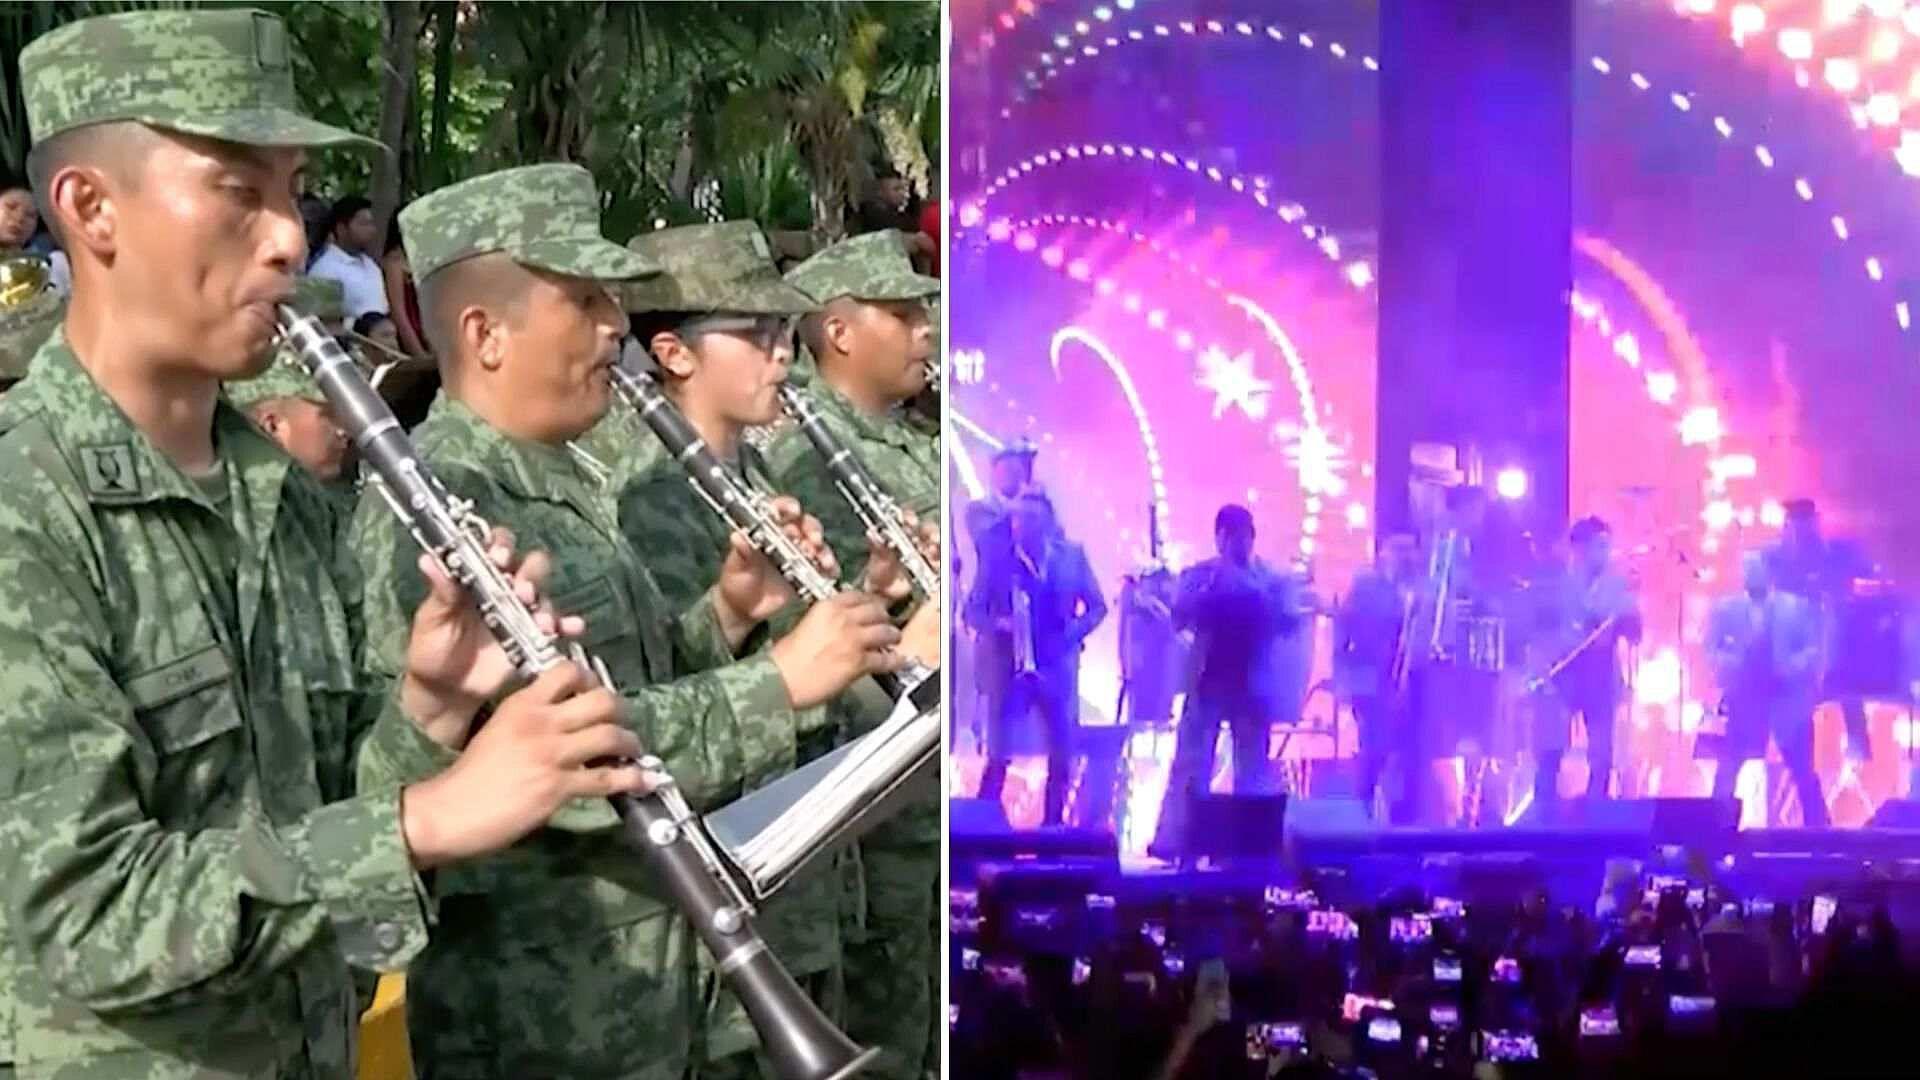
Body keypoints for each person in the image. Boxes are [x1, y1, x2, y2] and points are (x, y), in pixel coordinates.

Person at [0, 12, 647, 1077]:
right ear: (90, 209)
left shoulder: (285, 495)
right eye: (239, 189)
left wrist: (428, 715)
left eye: (291, 187)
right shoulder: (28, 503)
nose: (290, 235)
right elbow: (87, 916)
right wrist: (425, 816)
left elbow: (326, 815)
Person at [354, 164, 906, 1079]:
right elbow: (554, 770)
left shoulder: (561, 477)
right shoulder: (440, 505)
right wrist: (777, 683)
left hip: (652, 996)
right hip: (546, 1020)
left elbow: (626, 689)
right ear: (486, 335)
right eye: (586, 300)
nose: (619, 326)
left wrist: (728, 615)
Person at [772, 228, 946, 1080]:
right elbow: (826, 631)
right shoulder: (804, 453)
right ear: (839, 332)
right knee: (885, 1021)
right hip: (875, 790)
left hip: (928, 778)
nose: (928, 332)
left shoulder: (914, 440)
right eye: (905, 314)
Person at [1150, 505, 1300, 858]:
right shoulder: (1200, 574)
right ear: (1218, 538)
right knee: (1191, 764)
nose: (1239, 544)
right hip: (1207, 681)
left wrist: (1253, 594)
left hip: (1252, 684)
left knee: (1252, 769)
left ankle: (1250, 845)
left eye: (1245, 537)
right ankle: (1178, 840)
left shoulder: (1270, 578)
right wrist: (1216, 589)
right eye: (1231, 537)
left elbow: (1289, 621)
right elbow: (1179, 616)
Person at [971, 489, 1107, 825]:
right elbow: (972, 611)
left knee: (1062, 753)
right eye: (1017, 518)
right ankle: (981, 830)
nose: (1022, 525)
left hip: (1058, 667)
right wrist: (1000, 624)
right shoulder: (996, 559)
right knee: (1000, 754)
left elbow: (1098, 606)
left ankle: (1053, 828)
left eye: (1030, 518)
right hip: (1011, 669)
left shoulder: (1072, 556)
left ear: (1048, 522)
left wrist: (1072, 634)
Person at [1527, 517, 1643, 809]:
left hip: (1601, 676)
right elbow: (1538, 628)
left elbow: (1635, 634)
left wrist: (1629, 620)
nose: (1605, 553)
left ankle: (1598, 812)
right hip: (1562, 674)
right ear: (1579, 548)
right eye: (1598, 546)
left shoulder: (1618, 587)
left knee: (1602, 753)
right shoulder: (1555, 585)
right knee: (1551, 749)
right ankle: (1545, 814)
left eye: (1607, 546)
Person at [1707, 552, 1828, 826]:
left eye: (1756, 568)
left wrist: (1790, 666)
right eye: (1746, 569)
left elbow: (1813, 648)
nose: (1750, 574)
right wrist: (1733, 662)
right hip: (1745, 698)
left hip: (1787, 698)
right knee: (1728, 767)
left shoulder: (1796, 607)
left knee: (1802, 770)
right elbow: (1711, 649)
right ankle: (1712, 827)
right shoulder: (1726, 609)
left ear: (1769, 571)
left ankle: (1820, 831)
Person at [1763, 498, 1879, 764]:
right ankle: (1787, 750)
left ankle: (1857, 746)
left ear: (1815, 523)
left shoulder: (1838, 554)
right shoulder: (1774, 558)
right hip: (1794, 647)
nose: (1801, 531)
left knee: (1850, 684)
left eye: (1805, 524)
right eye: (1794, 525)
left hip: (1836, 645)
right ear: (1787, 526)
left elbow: (1870, 577)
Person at [1337, 533, 1421, 817]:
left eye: (1411, 550)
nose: (1406, 556)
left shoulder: (1418, 590)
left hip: (1406, 684)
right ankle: (1362, 813)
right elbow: (1344, 631)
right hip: (1371, 683)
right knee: (1374, 749)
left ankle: (1397, 815)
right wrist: (1344, 679)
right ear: (1384, 552)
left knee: (1402, 753)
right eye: (1399, 549)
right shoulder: (1366, 586)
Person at [308, 193, 390, 320]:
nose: (372, 230)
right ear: (341, 229)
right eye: (364, 224)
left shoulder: (371, 265)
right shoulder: (324, 270)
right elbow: (321, 324)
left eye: (371, 224)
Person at [379, 201, 430, 358]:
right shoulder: (394, 262)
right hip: (409, 335)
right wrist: (418, 354)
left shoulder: (421, 259)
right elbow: (399, 313)